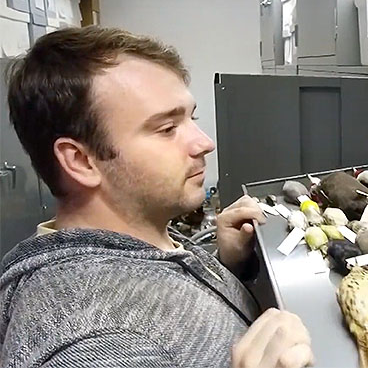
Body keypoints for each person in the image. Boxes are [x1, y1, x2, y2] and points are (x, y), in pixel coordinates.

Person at [1, 26, 313, 368]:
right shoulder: (99, 343)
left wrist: (227, 267)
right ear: (81, 161)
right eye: (167, 129)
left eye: (191, 117)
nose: (204, 142)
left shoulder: (138, 234)